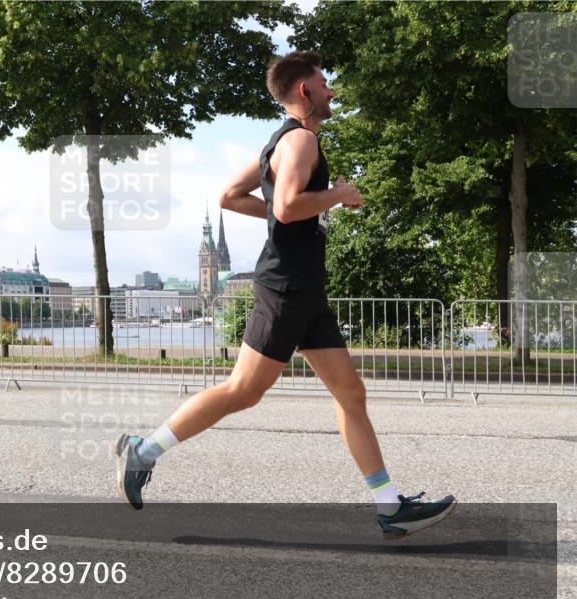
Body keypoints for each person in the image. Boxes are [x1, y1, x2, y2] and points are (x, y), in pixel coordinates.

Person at [115, 51, 455, 540]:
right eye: (325, 82)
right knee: (243, 391)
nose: (331, 90)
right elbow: (289, 205)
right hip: (286, 286)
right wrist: (336, 195)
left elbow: (231, 197)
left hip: (306, 288)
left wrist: (289, 207)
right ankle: (142, 453)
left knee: (350, 394)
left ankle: (390, 506)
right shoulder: (300, 141)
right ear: (304, 91)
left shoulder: (277, 143)